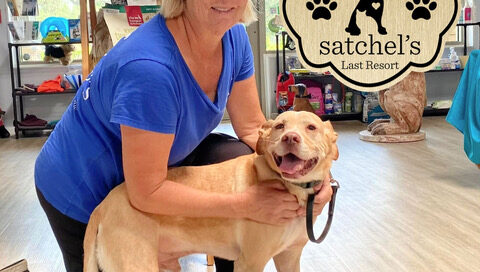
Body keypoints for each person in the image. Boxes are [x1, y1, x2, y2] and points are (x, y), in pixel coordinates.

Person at [34, 1, 333, 271]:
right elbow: (146, 191)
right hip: (80, 185)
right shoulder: (150, 70)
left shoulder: (233, 35)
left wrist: (313, 184)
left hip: (156, 166)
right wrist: (245, 203)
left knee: (240, 158)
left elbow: (254, 131)